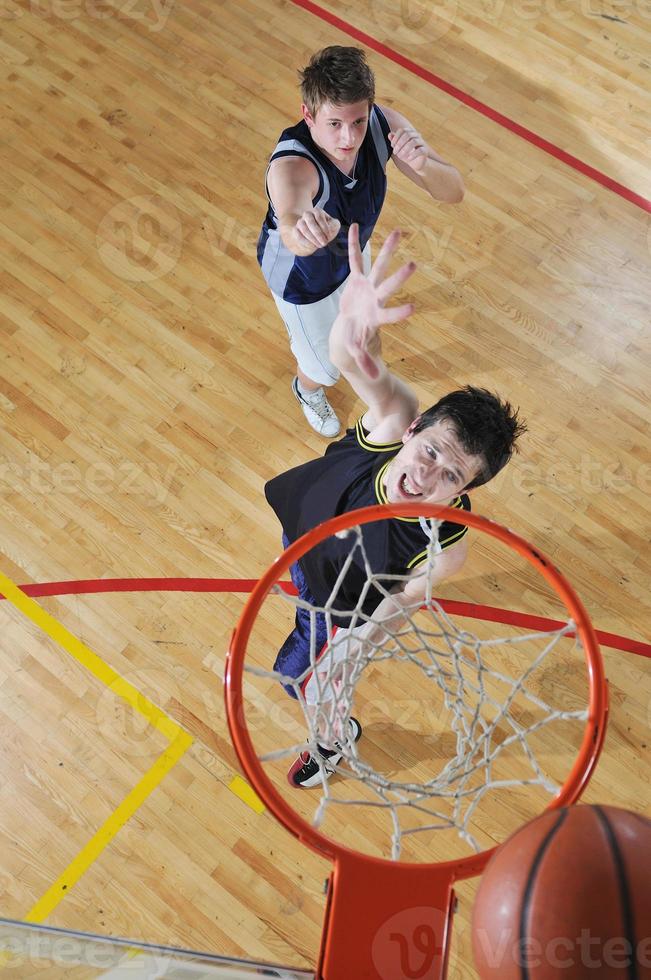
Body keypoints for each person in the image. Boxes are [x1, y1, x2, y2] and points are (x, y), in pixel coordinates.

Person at [264, 225, 526, 788]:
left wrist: (353, 650)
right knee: (302, 621)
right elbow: (352, 363)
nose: (426, 473)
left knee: (311, 684)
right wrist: (349, 326)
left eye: (450, 473)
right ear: (411, 432)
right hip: (307, 550)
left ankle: (332, 741)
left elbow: (399, 605)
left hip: (343, 609)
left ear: (462, 493)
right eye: (430, 450)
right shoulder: (391, 423)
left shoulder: (442, 548)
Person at [257, 45, 464, 438]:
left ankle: (355, 371)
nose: (349, 137)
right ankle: (306, 388)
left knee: (363, 333)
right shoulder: (292, 168)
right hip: (302, 278)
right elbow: (289, 222)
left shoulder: (384, 124)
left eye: (358, 120)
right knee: (325, 365)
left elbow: (453, 191)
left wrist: (423, 166)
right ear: (308, 113)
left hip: (352, 248)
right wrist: (302, 235)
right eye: (334, 123)